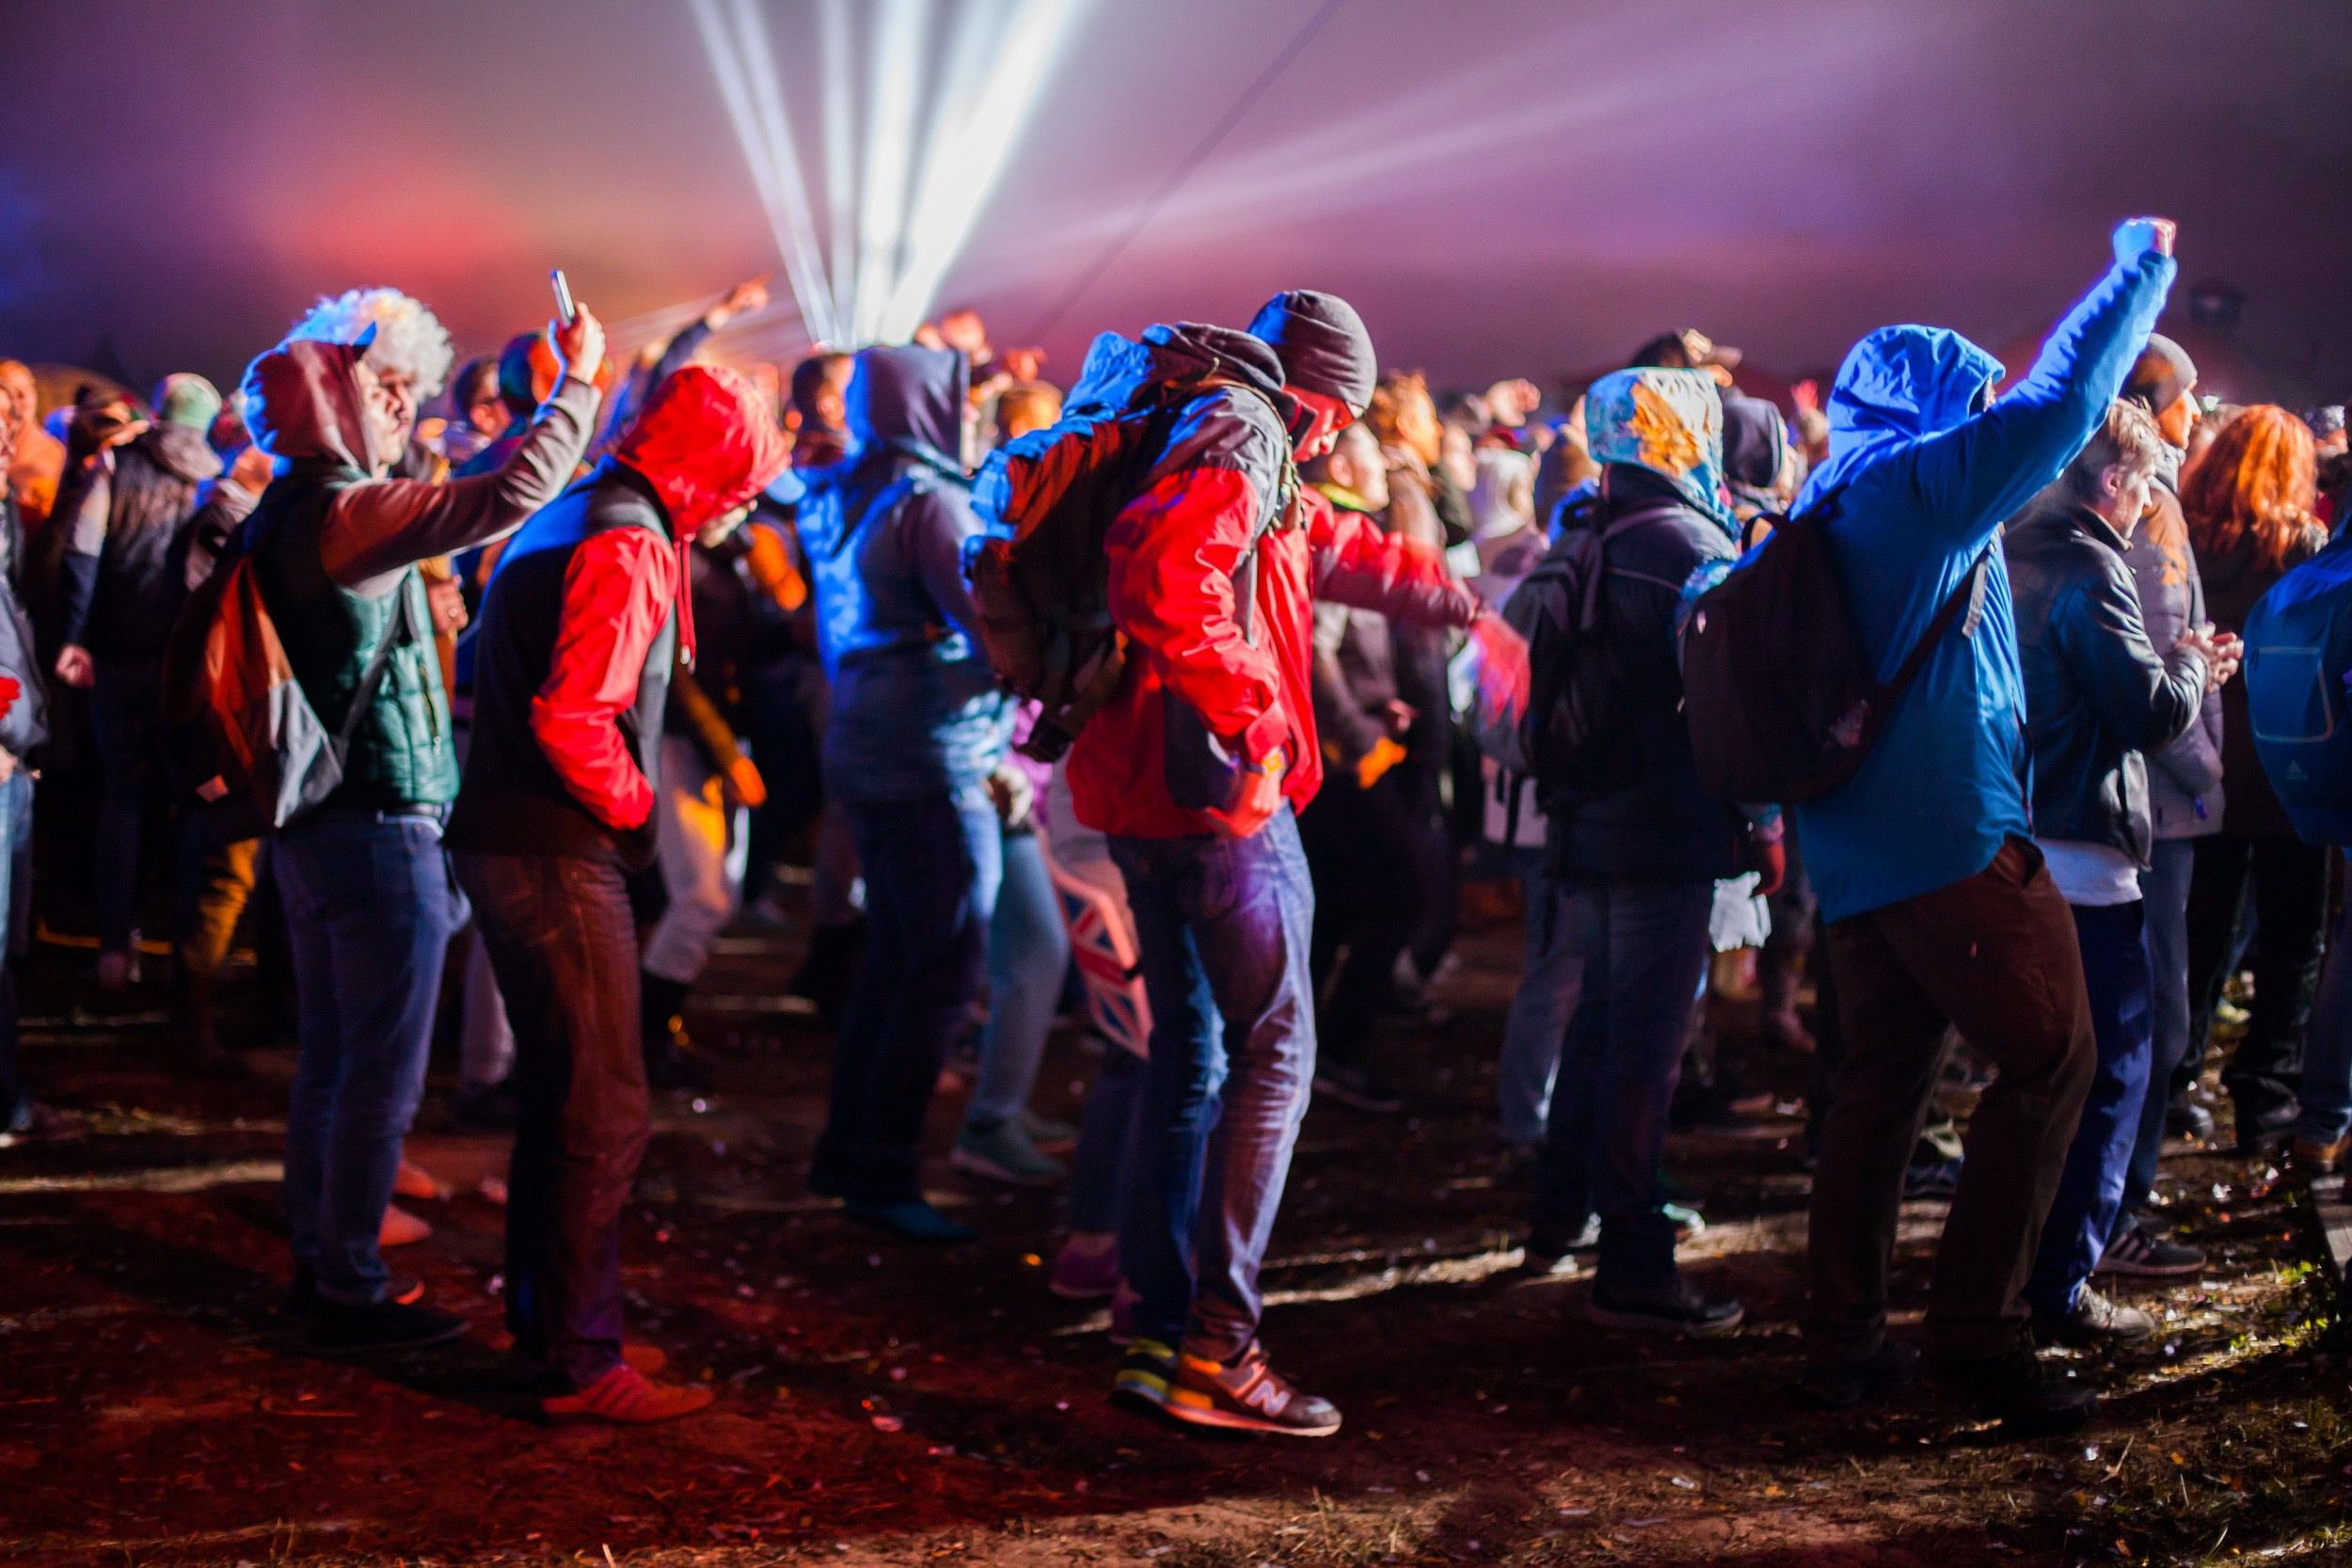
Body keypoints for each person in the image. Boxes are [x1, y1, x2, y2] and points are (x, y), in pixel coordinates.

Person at [1065, 292, 1484, 1437]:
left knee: (1189, 1059)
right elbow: (1169, 578)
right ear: (1320, 396)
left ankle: (1154, 1328)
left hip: (1144, 793)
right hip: (1218, 803)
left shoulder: (1198, 415)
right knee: (1274, 1056)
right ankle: (1220, 1352)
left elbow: (1307, 545)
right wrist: (1261, 724)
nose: (1337, 441)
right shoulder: (1247, 428)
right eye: (1338, 416)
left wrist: (1448, 598)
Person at [1795, 218, 2176, 1433]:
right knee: (2057, 1054)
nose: (1982, 423)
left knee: (1884, 1082)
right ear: (1933, 412)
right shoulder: (1912, 489)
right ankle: (1978, 1328)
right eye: (1967, 402)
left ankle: (1844, 1335)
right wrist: (2138, 271)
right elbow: (2060, 407)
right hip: (1947, 837)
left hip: (1857, 844)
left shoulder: (1832, 492)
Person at [241, 284, 604, 1353]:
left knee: (331, 1056)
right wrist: (577, 382)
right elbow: (521, 489)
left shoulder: (295, 505)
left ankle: (321, 1256)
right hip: (378, 819)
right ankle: (350, 1283)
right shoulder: (349, 509)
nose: (406, 408)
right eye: (386, 386)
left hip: (317, 818)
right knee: (380, 1073)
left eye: (408, 386)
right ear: (334, 401)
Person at [449, 362, 783, 1424]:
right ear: (704, 463)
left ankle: (552, 1337)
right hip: (552, 845)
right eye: (737, 478)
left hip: (515, 835)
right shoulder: (628, 537)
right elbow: (574, 717)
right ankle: (580, 1361)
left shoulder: (579, 508)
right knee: (600, 1104)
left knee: (566, 1097)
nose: (740, 502)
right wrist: (637, 811)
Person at [1518, 366, 1771, 1335]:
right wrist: (1761, 816)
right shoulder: (1689, 544)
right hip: (1664, 824)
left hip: (1583, 820)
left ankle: (1559, 1214)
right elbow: (1725, 699)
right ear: (1680, 431)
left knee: (1600, 1027)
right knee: (1646, 1047)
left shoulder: (1581, 529)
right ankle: (1631, 1256)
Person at [2007, 400, 2229, 1345]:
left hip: (2017, 835)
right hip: (2085, 846)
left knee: (2041, 1071)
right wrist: (2189, 663)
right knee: (2111, 1070)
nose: (2148, 507)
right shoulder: (2090, 564)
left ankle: (2016, 1269)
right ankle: (2059, 1283)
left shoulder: (2007, 546)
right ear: (2112, 482)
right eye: (2145, 486)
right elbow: (2141, 710)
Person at [799, 343, 1011, 1243]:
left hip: (866, 743)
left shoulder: (841, 493)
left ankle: (846, 1153)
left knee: (891, 961)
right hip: (935, 753)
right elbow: (995, 625)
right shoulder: (933, 504)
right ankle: (884, 1170)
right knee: (945, 969)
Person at [2176, 405, 2332, 1154]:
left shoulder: (2189, 539)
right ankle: (2265, 1094)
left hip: (2206, 766)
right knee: (2292, 938)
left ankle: (2175, 1084)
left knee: (2200, 935)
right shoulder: (2301, 546)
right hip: (2285, 766)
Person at [2103, 335, 2222, 1277]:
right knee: (2149, 1020)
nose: (2196, 411)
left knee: (2146, 1017)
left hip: (2151, 802)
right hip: (2152, 808)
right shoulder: (2143, 517)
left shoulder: (2154, 504)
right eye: (2185, 398)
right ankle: (2110, 1219)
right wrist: (2206, 771)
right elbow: (2147, 668)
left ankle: (2105, 1209)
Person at [53, 373, 226, 991]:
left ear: (158, 411)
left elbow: (83, 550)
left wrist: (74, 632)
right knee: (193, 805)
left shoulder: (116, 464)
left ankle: (113, 953)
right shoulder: (216, 475)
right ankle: (189, 957)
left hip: (118, 651)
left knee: (121, 800)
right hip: (189, 662)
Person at [1296, 420, 1422, 1114]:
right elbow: (1317, 650)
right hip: (1347, 764)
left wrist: (1381, 704)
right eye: (1376, 460)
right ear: (1346, 462)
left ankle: (1314, 1051)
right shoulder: (1337, 530)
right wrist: (1360, 735)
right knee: (1403, 891)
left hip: (1348, 750)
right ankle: (1332, 1051)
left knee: (1339, 902)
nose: (1387, 472)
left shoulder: (1336, 528)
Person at [0, 372, 57, 1143]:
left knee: (7, 950)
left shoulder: (8, 505)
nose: (14, 424)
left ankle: (9, 1100)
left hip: (14, 751)